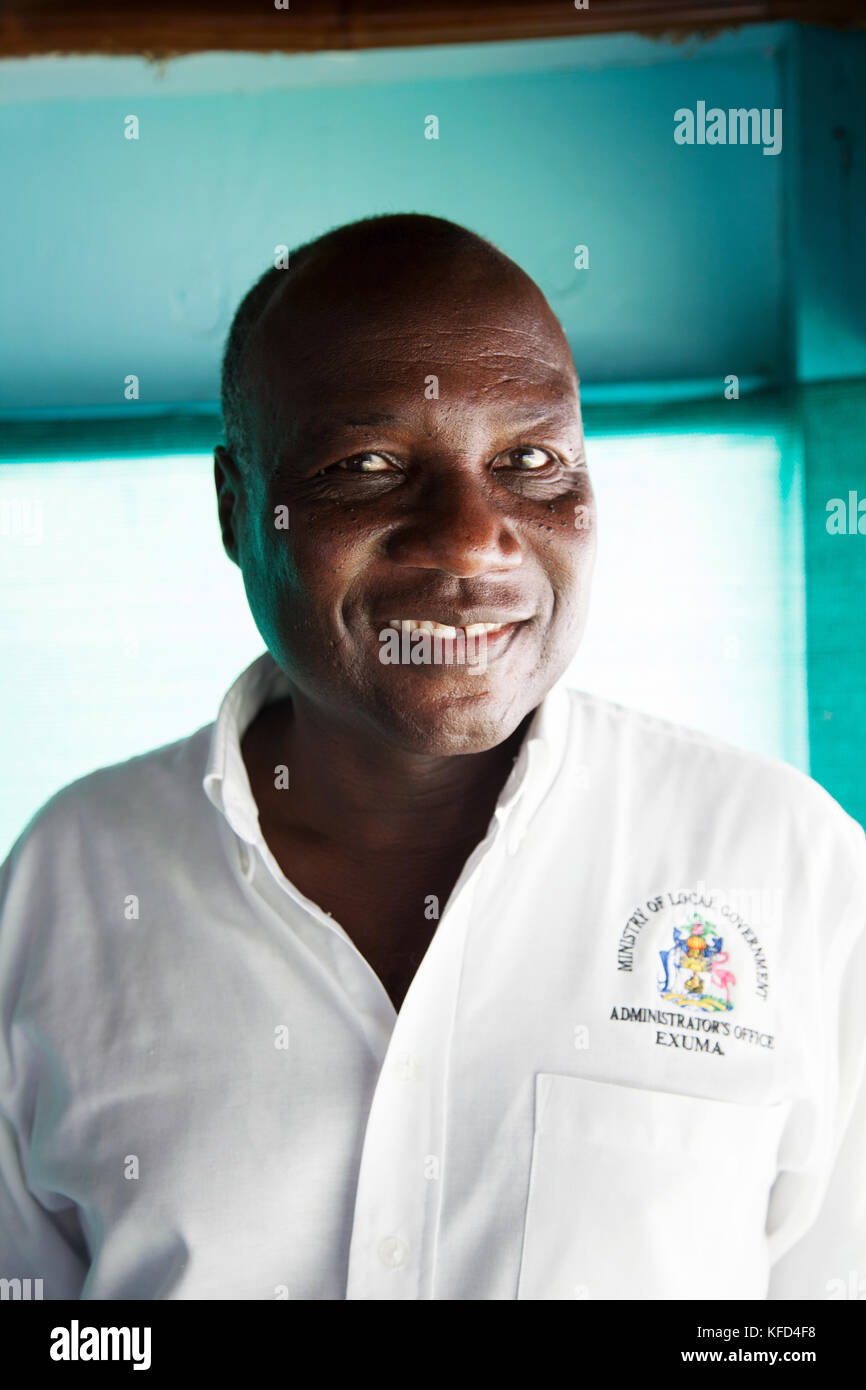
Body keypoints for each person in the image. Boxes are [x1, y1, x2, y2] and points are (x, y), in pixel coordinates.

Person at [0, 213, 863, 1301]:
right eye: (365, 465)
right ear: (235, 507)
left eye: (530, 459)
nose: (469, 536)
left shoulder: (786, 866)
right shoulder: (66, 885)